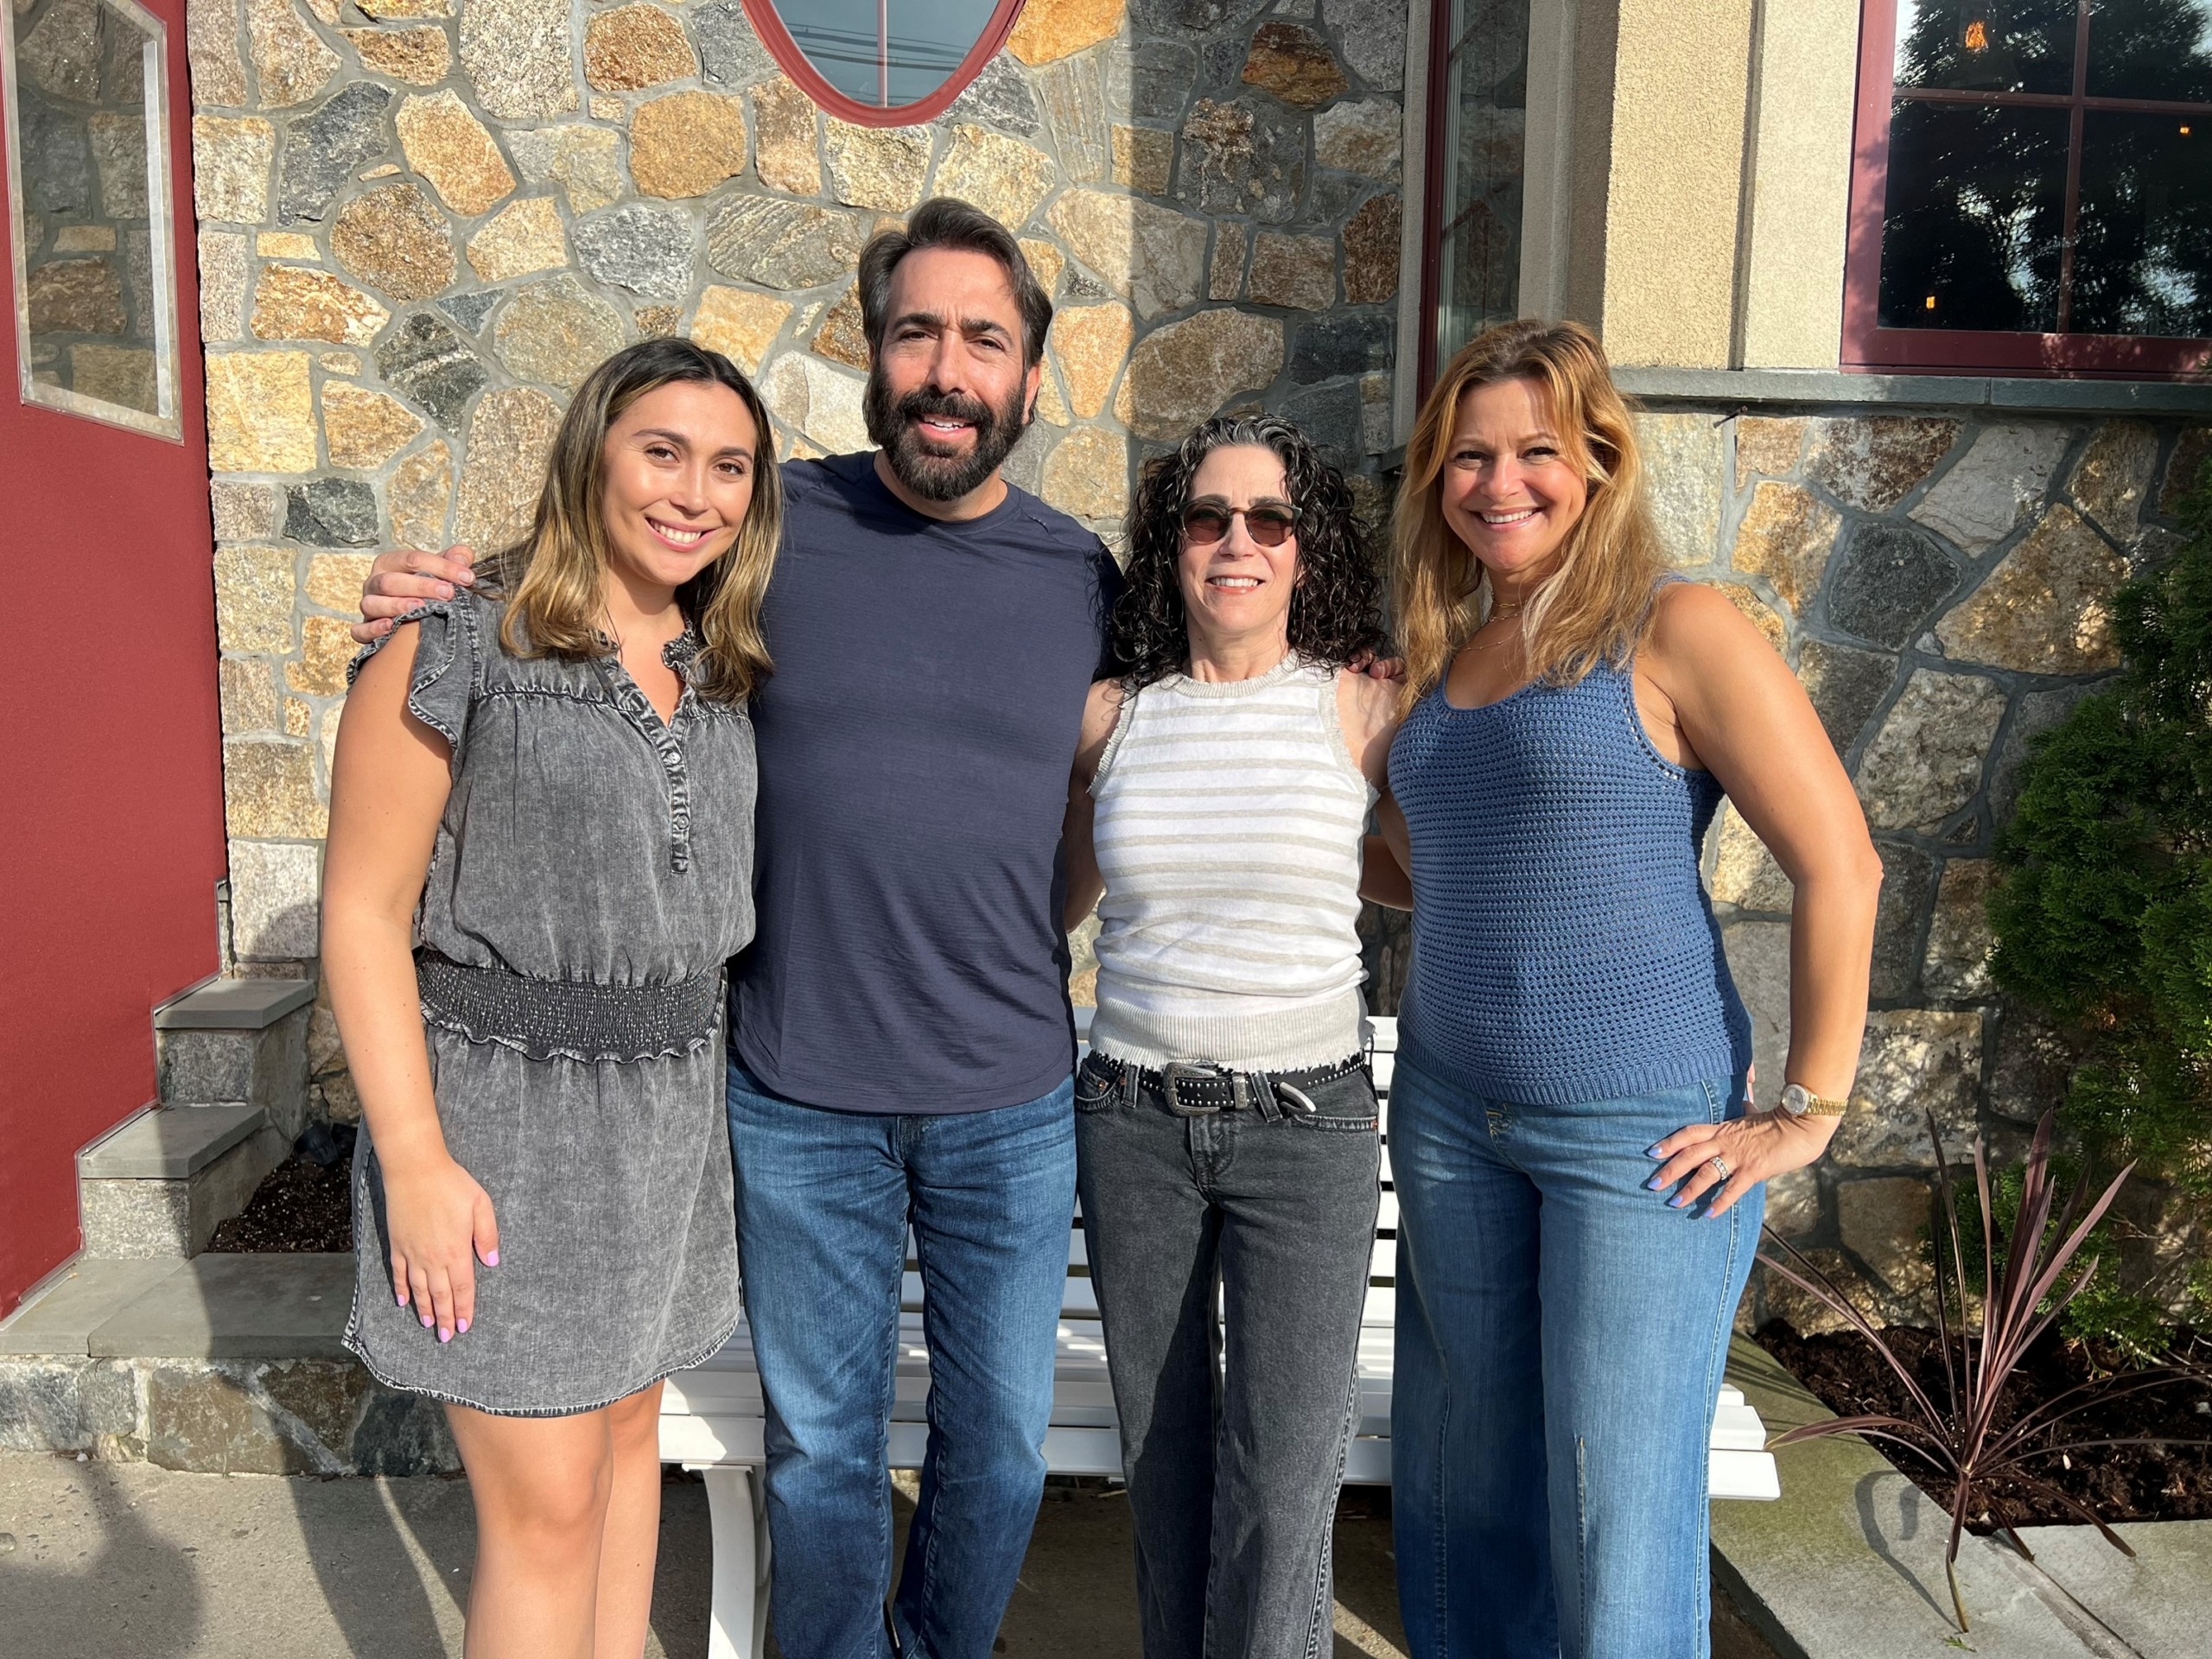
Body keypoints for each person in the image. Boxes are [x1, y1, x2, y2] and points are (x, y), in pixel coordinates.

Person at [354, 199, 1122, 1659]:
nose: (948, 368)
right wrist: (425, 590)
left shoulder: (1080, 577)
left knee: (1003, 1452)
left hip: (1008, 1098)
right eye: (916, 333)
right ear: (874, 354)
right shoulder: (778, 532)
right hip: (791, 1095)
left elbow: (1118, 772)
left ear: (1030, 374)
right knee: (823, 1458)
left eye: (985, 338)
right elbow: (575, 590)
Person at [1367, 319, 1883, 1659]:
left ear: (1598, 461)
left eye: (1537, 450)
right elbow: (1441, 875)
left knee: (1615, 1509)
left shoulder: (1675, 627)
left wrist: (1809, 1109)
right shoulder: (1445, 651)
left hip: (1638, 1137)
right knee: (1457, 1487)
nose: (1500, 482)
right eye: (1468, 457)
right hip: (1447, 1111)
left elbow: (1842, 864)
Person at [323, 338, 780, 1658]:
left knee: (632, 1450)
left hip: (665, 1136)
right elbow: (361, 914)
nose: (695, 492)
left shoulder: (721, 666)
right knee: (544, 1513)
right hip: (502, 1134)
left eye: (730, 466)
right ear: (591, 453)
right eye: (662, 451)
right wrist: (414, 1161)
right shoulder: (456, 643)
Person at [1059, 415, 1399, 1659]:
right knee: (1161, 1454)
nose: (1237, 542)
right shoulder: (1111, 717)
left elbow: (1439, 876)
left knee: (1284, 1469)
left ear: (1308, 550)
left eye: (1270, 520)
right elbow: (1047, 899)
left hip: (1306, 1129)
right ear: (1173, 545)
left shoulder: (1365, 711)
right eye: (1208, 518)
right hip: (1134, 1120)